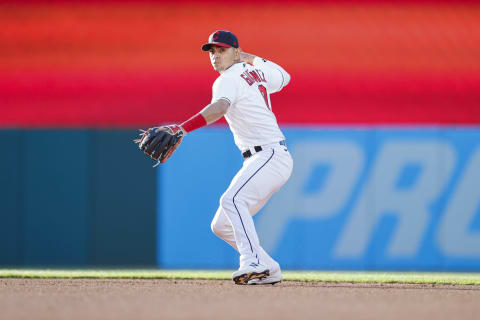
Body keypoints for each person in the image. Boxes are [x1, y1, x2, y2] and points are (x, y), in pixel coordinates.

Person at [176, 30, 293, 285]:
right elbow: (284, 77)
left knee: (232, 200)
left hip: (269, 154)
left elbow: (220, 108)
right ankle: (269, 268)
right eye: (212, 51)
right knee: (221, 225)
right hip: (265, 158)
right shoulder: (257, 72)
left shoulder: (227, 79)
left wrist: (183, 128)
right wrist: (249, 59)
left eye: (222, 50)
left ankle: (251, 262)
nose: (216, 56)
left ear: (236, 52)